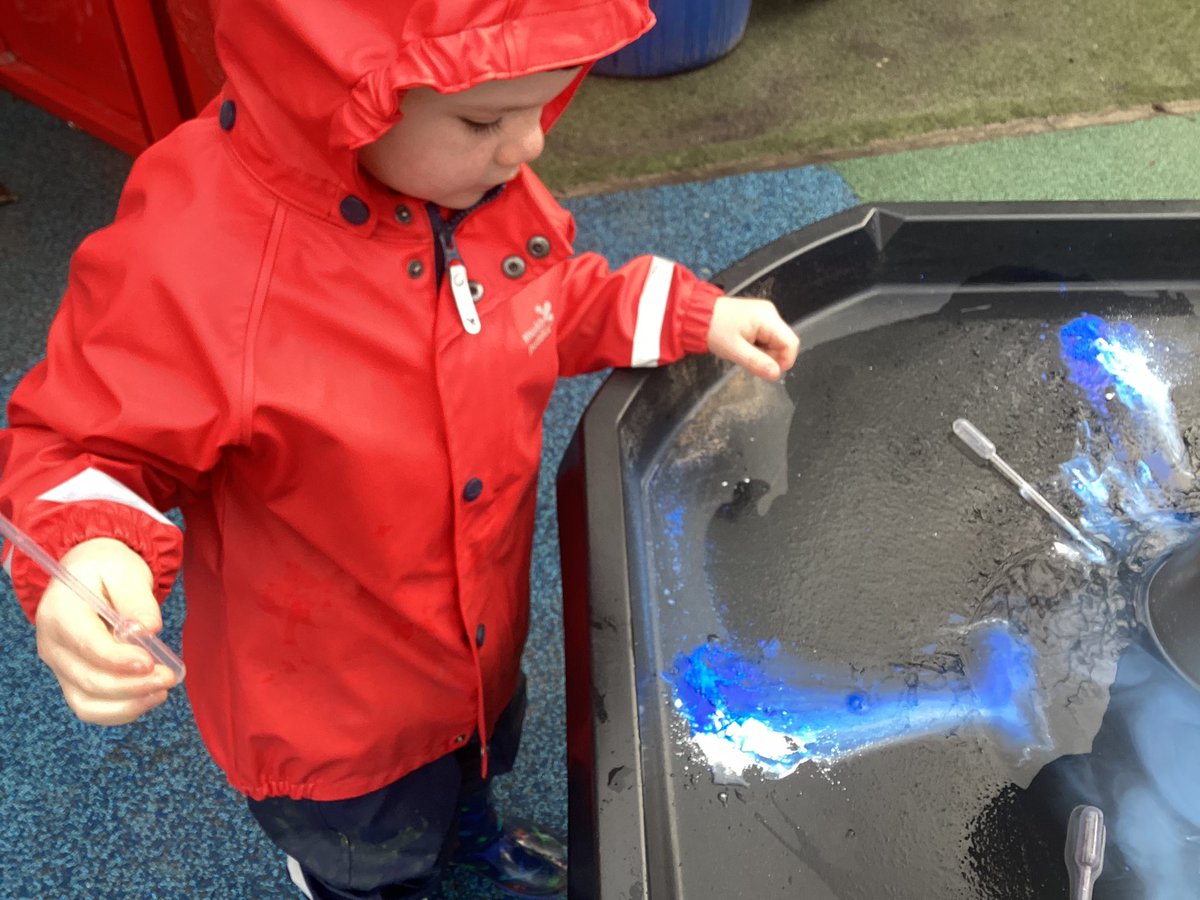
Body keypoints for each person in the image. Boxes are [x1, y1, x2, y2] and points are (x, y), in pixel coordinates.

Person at [0, 1, 799, 897]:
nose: (528, 147)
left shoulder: (472, 188)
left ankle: (469, 843)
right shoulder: (198, 258)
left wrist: (687, 313)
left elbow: (544, 302)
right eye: (485, 120)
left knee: (469, 776)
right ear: (338, 99)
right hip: (331, 719)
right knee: (373, 856)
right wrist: (89, 548)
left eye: (544, 104)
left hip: (473, 647)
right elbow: (78, 438)